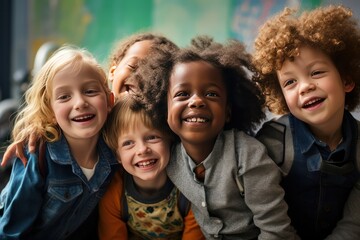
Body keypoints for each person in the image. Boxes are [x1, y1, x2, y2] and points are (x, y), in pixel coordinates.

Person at [131, 35, 299, 239]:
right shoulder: (169, 157)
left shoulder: (248, 156)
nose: (196, 101)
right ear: (163, 108)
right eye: (182, 94)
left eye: (211, 94)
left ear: (228, 111)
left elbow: (276, 231)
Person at [252, 5, 360, 239]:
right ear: (281, 96)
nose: (305, 87)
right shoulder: (273, 143)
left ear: (347, 80)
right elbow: (270, 224)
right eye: (290, 83)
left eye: (316, 73)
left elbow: (354, 225)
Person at [1, 32, 178, 165]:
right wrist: (39, 128)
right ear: (113, 71)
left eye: (156, 75)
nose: (142, 77)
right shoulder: (88, 116)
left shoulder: (166, 130)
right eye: (133, 66)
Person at [0, 46, 118, 239]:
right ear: (50, 112)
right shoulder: (37, 156)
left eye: (89, 91)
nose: (79, 102)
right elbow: (11, 232)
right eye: (64, 97)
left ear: (109, 101)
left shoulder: (115, 152)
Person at [98, 95, 204, 239]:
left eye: (152, 137)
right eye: (128, 143)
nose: (142, 150)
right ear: (117, 156)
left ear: (169, 141)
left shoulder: (189, 189)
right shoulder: (114, 193)